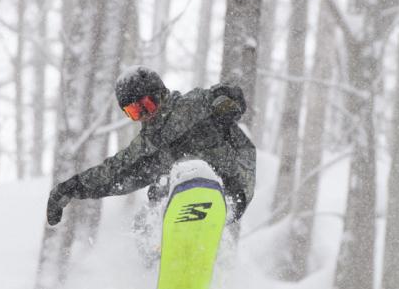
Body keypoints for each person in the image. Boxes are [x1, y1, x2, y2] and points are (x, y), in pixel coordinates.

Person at [46, 66, 256, 228]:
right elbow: (112, 173)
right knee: (144, 221)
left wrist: (228, 100)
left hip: (228, 186)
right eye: (135, 112)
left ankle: (200, 212)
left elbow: (223, 97)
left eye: (146, 105)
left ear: (160, 94)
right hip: (179, 201)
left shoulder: (193, 105)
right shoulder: (148, 144)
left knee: (183, 168)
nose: (145, 115)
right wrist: (69, 189)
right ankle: (161, 253)